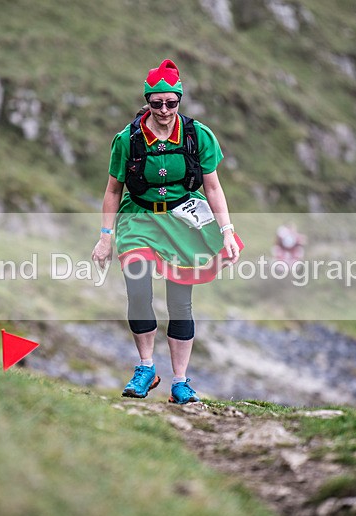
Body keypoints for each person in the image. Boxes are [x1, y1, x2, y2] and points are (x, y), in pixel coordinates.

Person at [91, 59, 242, 404]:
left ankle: (180, 382)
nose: (163, 110)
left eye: (170, 103)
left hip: (183, 223)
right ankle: (145, 368)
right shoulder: (127, 139)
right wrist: (105, 237)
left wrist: (228, 232)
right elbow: (113, 191)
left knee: (180, 303)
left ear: (179, 101)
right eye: (156, 103)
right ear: (147, 101)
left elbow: (213, 188)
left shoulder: (197, 135)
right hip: (138, 220)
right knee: (139, 291)